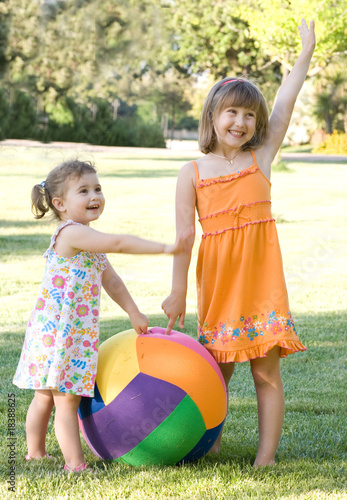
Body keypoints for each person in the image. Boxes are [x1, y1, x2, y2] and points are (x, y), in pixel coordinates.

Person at [162, 19, 316, 467]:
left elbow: (286, 102)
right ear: (212, 115)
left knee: (266, 371)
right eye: (231, 112)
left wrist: (304, 52)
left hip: (261, 285)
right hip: (220, 285)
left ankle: (265, 458)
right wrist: (178, 292)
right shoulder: (190, 173)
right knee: (216, 372)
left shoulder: (261, 158)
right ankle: (208, 443)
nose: (240, 121)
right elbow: (185, 237)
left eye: (249, 115)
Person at [13, 159, 193, 473]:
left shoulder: (89, 242)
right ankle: (74, 463)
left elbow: (111, 280)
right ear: (60, 205)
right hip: (58, 334)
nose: (95, 195)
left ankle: (36, 453)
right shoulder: (71, 234)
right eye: (84, 190)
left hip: (66, 332)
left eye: (97, 188)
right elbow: (119, 242)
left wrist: (133, 310)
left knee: (46, 394)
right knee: (63, 400)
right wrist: (166, 248)